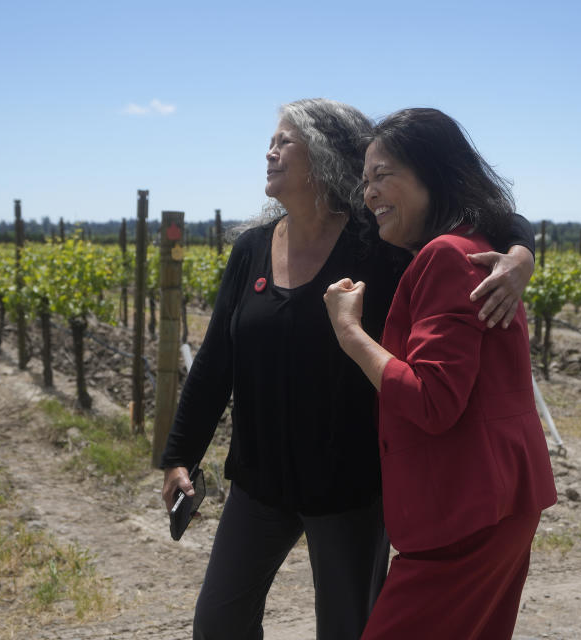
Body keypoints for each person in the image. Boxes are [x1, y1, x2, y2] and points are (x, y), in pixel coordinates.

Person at [159, 99, 536, 640]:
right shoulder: (252, 250)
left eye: (285, 140)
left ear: (324, 154)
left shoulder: (378, 243)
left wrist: (521, 252)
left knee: (348, 629)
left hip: (350, 488)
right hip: (259, 482)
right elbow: (217, 359)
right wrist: (179, 456)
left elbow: (478, 215)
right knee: (217, 623)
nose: (269, 151)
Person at [324, 107, 557, 640]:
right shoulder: (477, 245)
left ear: (434, 174)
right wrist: (524, 251)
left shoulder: (447, 257)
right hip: (499, 499)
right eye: (365, 181)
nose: (369, 193)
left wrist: (349, 334)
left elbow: (432, 400)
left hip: (464, 511)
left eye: (383, 175)